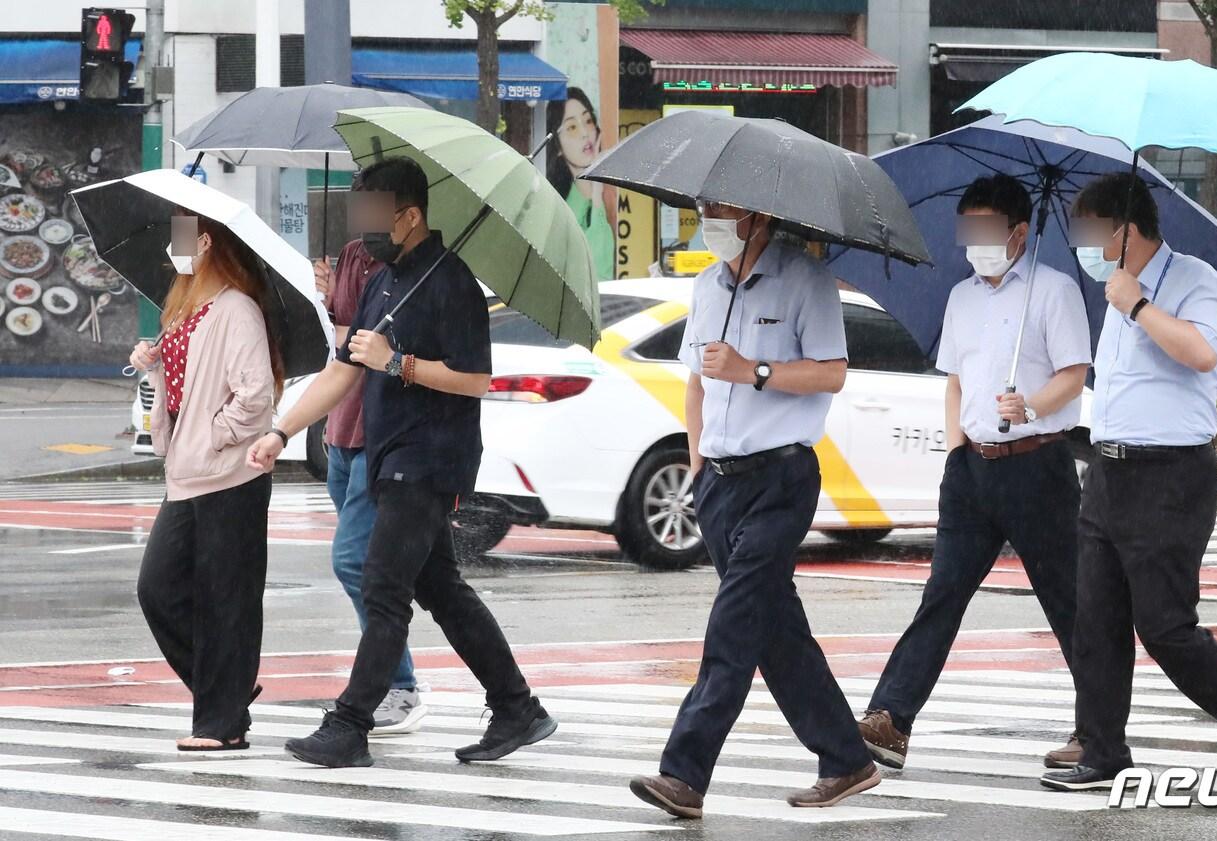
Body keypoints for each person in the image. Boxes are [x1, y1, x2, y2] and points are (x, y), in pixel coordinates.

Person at [247, 156, 555, 768]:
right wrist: (282, 430)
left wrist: (398, 363)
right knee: (441, 588)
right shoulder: (384, 282)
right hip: (390, 457)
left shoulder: (451, 284)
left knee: (385, 587)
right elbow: (342, 371)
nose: (363, 228)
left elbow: (474, 380)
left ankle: (350, 724)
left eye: (374, 214)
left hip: (431, 458)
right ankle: (518, 706)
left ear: (410, 215)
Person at [629, 201, 879, 819]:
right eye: (702, 207)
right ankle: (847, 758)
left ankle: (684, 773)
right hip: (718, 483)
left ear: (761, 218)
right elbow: (696, 380)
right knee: (775, 632)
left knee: (735, 624)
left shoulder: (807, 279)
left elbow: (832, 374)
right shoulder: (706, 284)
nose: (708, 217)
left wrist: (754, 370)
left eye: (723, 210)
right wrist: (696, 457)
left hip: (781, 478)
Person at [1042, 173, 1217, 791]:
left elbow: (1202, 354)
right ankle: (1104, 749)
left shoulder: (1195, 280)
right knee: (1094, 619)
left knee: (1164, 624)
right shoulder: (1113, 290)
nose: (1083, 245)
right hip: (1109, 471)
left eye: (1091, 232)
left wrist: (1139, 305)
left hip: (1171, 476)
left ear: (1124, 231)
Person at [858, 175, 1091, 771]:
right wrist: (954, 453)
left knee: (1067, 602)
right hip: (972, 471)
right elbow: (956, 378)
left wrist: (1032, 404)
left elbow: (1073, 373)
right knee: (942, 594)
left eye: (986, 231)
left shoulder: (1053, 290)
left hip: (1038, 464)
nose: (974, 243)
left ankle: (1097, 729)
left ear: (1018, 233)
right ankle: (891, 718)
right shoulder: (962, 297)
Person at [129, 214, 282, 751]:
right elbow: (178, 393)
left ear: (207, 242)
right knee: (158, 589)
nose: (173, 253)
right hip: (185, 474)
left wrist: (216, 436)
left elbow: (256, 395)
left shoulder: (236, 310)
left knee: (226, 600)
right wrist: (152, 363)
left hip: (230, 474)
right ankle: (228, 696)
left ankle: (221, 721)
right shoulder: (186, 310)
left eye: (180, 242)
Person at [313, 176, 424, 736]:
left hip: (388, 442)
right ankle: (512, 703)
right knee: (417, 578)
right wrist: (328, 292)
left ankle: (396, 684)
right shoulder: (356, 254)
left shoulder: (424, 272)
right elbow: (341, 344)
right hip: (343, 428)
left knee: (357, 562)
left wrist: (391, 358)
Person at [546, 86, 615, 281]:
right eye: (572, 127)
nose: (585, 133)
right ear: (558, 147)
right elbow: (597, 270)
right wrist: (596, 193)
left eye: (588, 121)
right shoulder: (564, 212)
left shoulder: (615, 193)